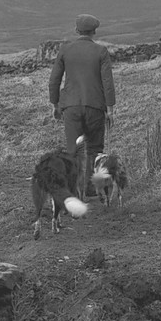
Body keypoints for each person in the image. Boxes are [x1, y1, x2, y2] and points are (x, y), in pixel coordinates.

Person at [48, 14, 116, 196]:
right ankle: (91, 188)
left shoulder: (65, 50)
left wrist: (55, 104)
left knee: (73, 149)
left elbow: (54, 80)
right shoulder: (101, 52)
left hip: (70, 107)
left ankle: (74, 189)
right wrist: (110, 110)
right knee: (94, 148)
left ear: (77, 31)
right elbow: (107, 83)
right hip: (95, 106)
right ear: (94, 31)